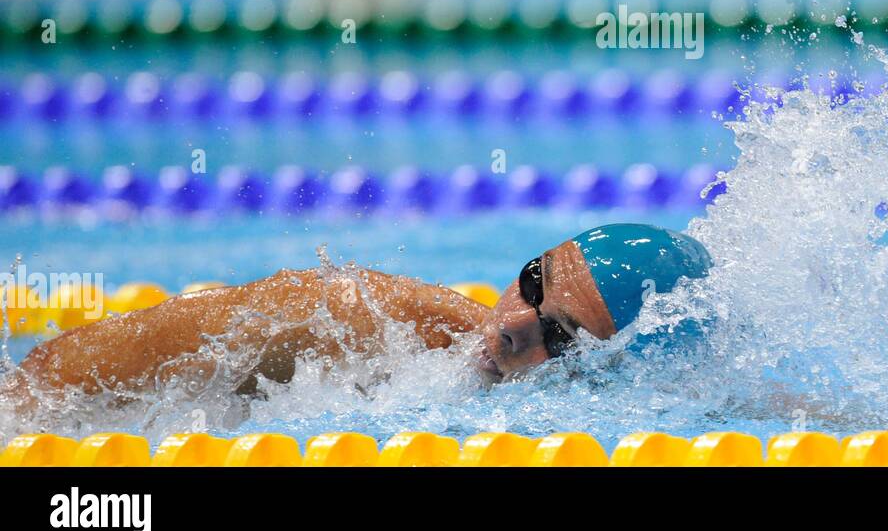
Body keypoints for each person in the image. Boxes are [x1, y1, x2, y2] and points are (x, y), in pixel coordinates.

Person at [2, 224, 711, 411]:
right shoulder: (361, 317)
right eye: (532, 281)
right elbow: (51, 379)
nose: (513, 323)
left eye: (560, 336)